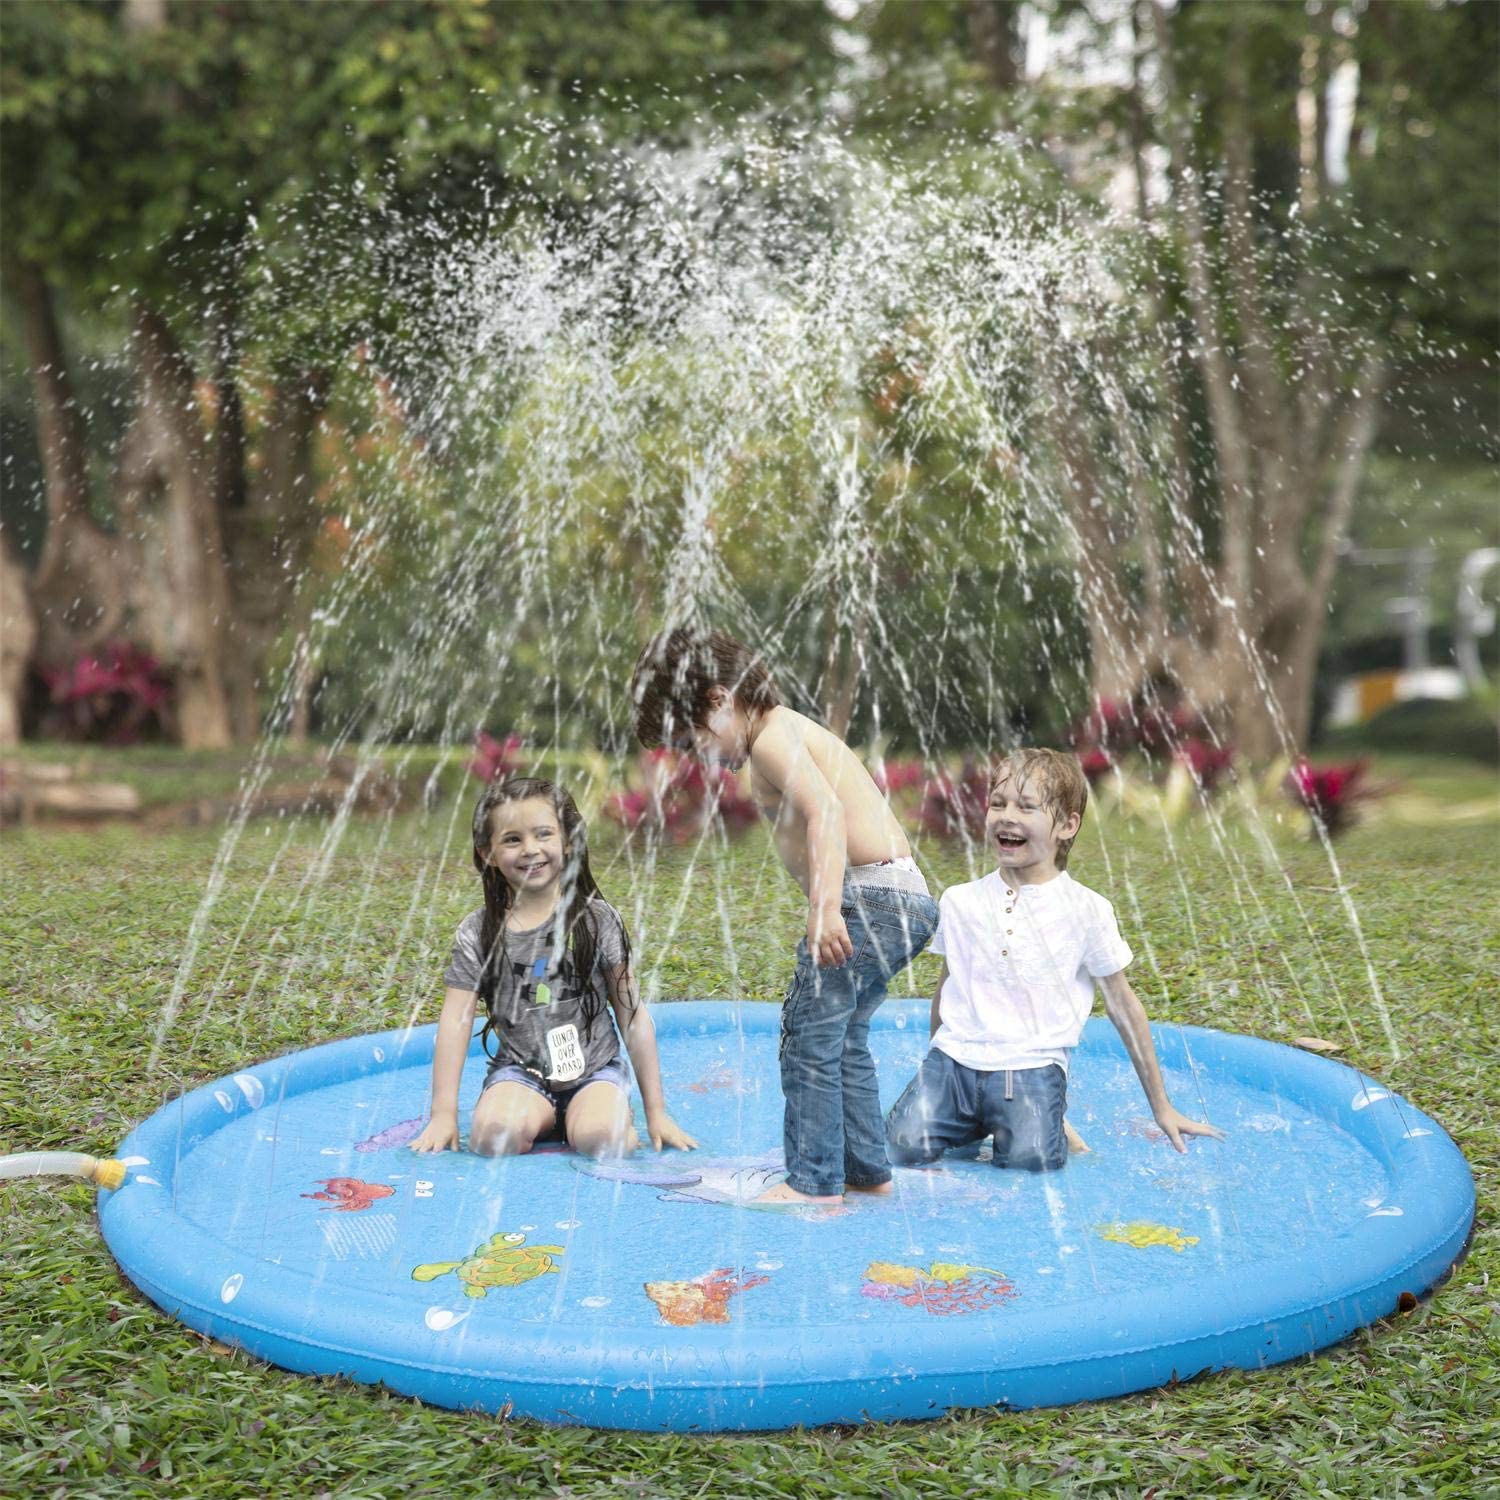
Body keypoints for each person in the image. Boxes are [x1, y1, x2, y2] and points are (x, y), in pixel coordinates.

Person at [631, 629, 938, 1205]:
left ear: (720, 700)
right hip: (904, 897)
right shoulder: (784, 731)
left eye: (697, 741)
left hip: (864, 897)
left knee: (806, 1037)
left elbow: (826, 811)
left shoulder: (772, 734)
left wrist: (825, 908)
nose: (705, 758)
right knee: (844, 1038)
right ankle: (865, 1173)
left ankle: (813, 1184)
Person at [885, 747, 1222, 1172]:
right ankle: (976, 1121)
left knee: (1032, 1163)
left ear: (1067, 825)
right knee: (899, 1149)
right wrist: (931, 1070)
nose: (1007, 816)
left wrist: (1162, 1107)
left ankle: (1043, 1118)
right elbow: (947, 988)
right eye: (998, 803)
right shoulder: (961, 900)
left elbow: (1123, 1005)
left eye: (1027, 807)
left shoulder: (1086, 909)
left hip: (1031, 1069)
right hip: (954, 1065)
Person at [410, 777, 696, 1160]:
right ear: (487, 853)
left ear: (568, 841)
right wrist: (442, 1115)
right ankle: (542, 1116)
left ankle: (605, 1112)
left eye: (543, 834)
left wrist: (656, 1113)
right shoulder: (478, 933)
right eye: (512, 839)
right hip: (521, 1074)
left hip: (594, 1072)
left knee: (605, 1141)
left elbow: (631, 1016)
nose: (531, 850)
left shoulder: (597, 920)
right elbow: (454, 1024)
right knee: (493, 1138)